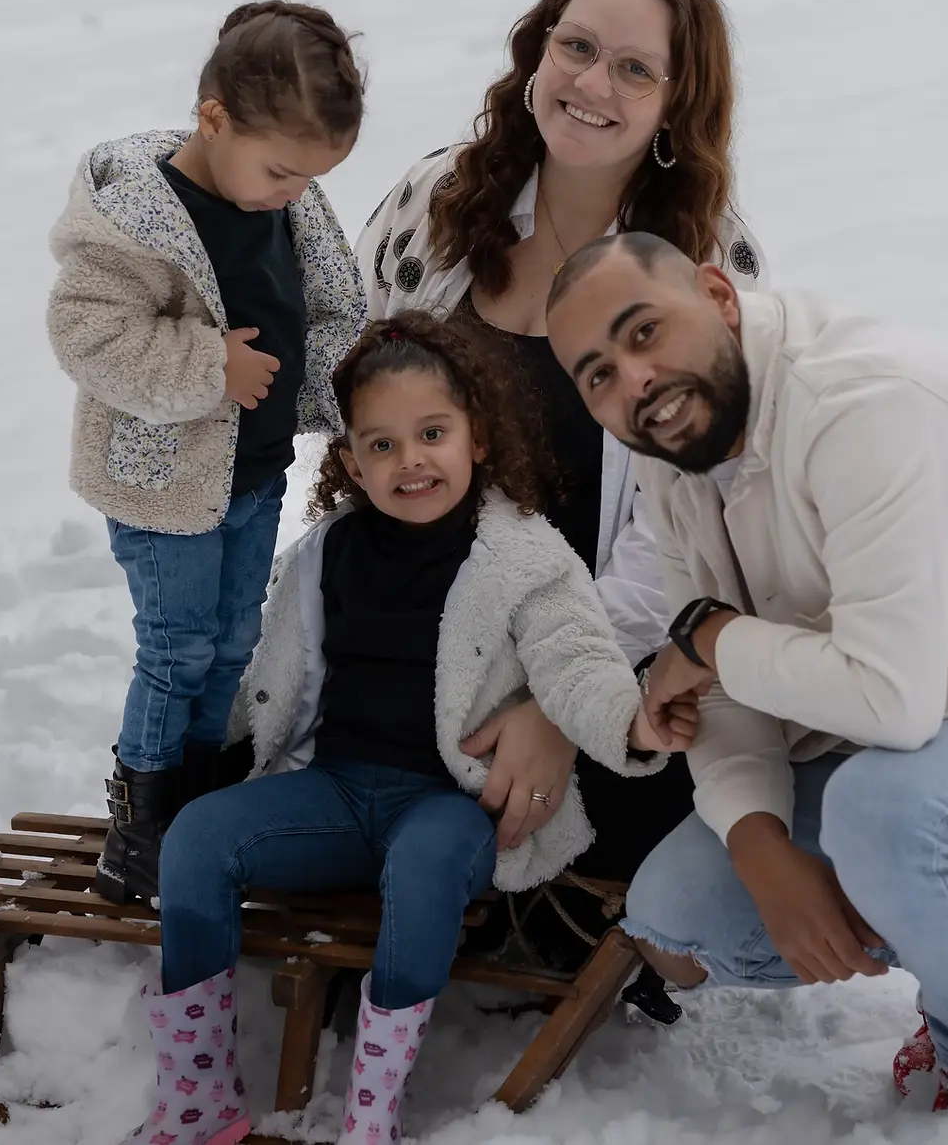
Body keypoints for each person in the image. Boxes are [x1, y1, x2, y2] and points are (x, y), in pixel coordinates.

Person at [119, 311, 690, 1145]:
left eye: (432, 433)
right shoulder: (327, 552)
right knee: (199, 840)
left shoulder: (525, 558)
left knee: (424, 866)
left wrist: (631, 729)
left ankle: (371, 1113)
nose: (409, 460)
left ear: (478, 440)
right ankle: (200, 1096)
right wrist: (190, 743)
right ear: (350, 460)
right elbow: (272, 678)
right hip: (335, 793)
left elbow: (580, 664)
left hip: (449, 807)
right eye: (381, 445)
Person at [355, 0, 767, 900]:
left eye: (634, 69)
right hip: (423, 626)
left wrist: (556, 698)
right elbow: (362, 421)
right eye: (575, 47)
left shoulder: (711, 263)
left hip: (604, 652)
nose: (592, 84)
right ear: (536, 53)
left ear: (677, 103)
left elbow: (691, 527)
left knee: (645, 818)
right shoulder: (436, 202)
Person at [545, 230, 948, 1113]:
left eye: (644, 332)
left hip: (925, 735)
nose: (635, 383)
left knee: (885, 818)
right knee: (677, 913)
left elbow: (888, 700)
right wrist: (758, 839)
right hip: (910, 743)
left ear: (719, 294)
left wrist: (707, 637)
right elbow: (722, 683)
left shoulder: (865, 402)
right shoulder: (684, 453)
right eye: (597, 374)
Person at [46, 0, 367, 907]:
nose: (291, 193)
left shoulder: (287, 201)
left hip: (256, 474)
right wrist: (204, 363)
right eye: (279, 171)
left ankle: (198, 802)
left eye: (309, 177)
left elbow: (335, 305)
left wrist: (356, 392)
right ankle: (141, 820)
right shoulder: (135, 219)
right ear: (214, 116)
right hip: (161, 487)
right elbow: (87, 332)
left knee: (230, 642)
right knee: (177, 646)